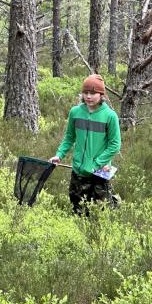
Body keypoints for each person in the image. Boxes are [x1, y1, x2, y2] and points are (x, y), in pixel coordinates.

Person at [51, 74, 121, 215]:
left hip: (99, 173)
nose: (88, 96)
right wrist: (59, 155)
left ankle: (115, 204)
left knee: (100, 213)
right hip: (78, 171)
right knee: (78, 210)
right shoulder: (75, 112)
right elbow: (69, 137)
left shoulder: (110, 116)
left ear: (101, 95)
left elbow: (115, 144)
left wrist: (96, 163)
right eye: (86, 92)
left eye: (93, 93)